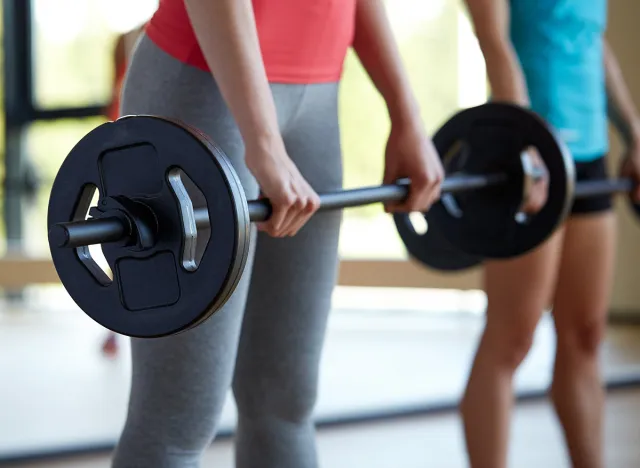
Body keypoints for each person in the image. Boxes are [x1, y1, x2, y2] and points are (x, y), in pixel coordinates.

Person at [110, 0, 449, 466]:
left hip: (317, 97)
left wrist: (406, 115)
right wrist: (263, 141)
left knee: (285, 404)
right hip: (202, 83)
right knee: (176, 420)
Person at [461, 1, 640, 467]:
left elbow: (591, 42)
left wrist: (635, 132)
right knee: (511, 339)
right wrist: (523, 138)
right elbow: (493, 39)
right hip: (529, 154)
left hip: (590, 157)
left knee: (585, 334)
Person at [101, 23, 145, 358]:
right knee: (124, 238)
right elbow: (115, 96)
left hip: (137, 142)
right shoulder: (128, 39)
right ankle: (117, 326)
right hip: (128, 144)